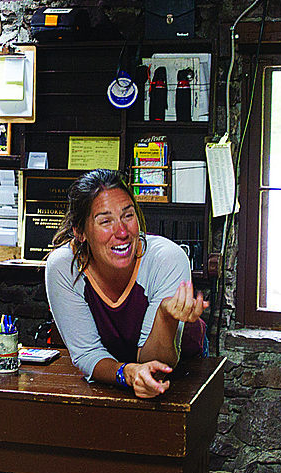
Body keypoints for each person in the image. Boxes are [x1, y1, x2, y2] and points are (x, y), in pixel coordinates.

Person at [44, 168, 208, 398]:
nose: (122, 231)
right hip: (110, 373)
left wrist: (165, 317)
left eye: (128, 216)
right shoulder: (64, 267)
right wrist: (127, 373)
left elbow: (156, 366)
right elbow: (88, 354)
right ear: (79, 232)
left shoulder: (167, 259)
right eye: (105, 221)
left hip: (179, 372)